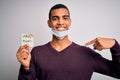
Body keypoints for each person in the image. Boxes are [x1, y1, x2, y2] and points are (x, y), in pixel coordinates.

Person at [16, 4, 120, 80]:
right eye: (55, 18)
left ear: (70, 22)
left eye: (65, 18)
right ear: (49, 23)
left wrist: (115, 46)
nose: (60, 22)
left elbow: (117, 72)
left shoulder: (87, 54)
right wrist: (26, 68)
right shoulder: (36, 53)